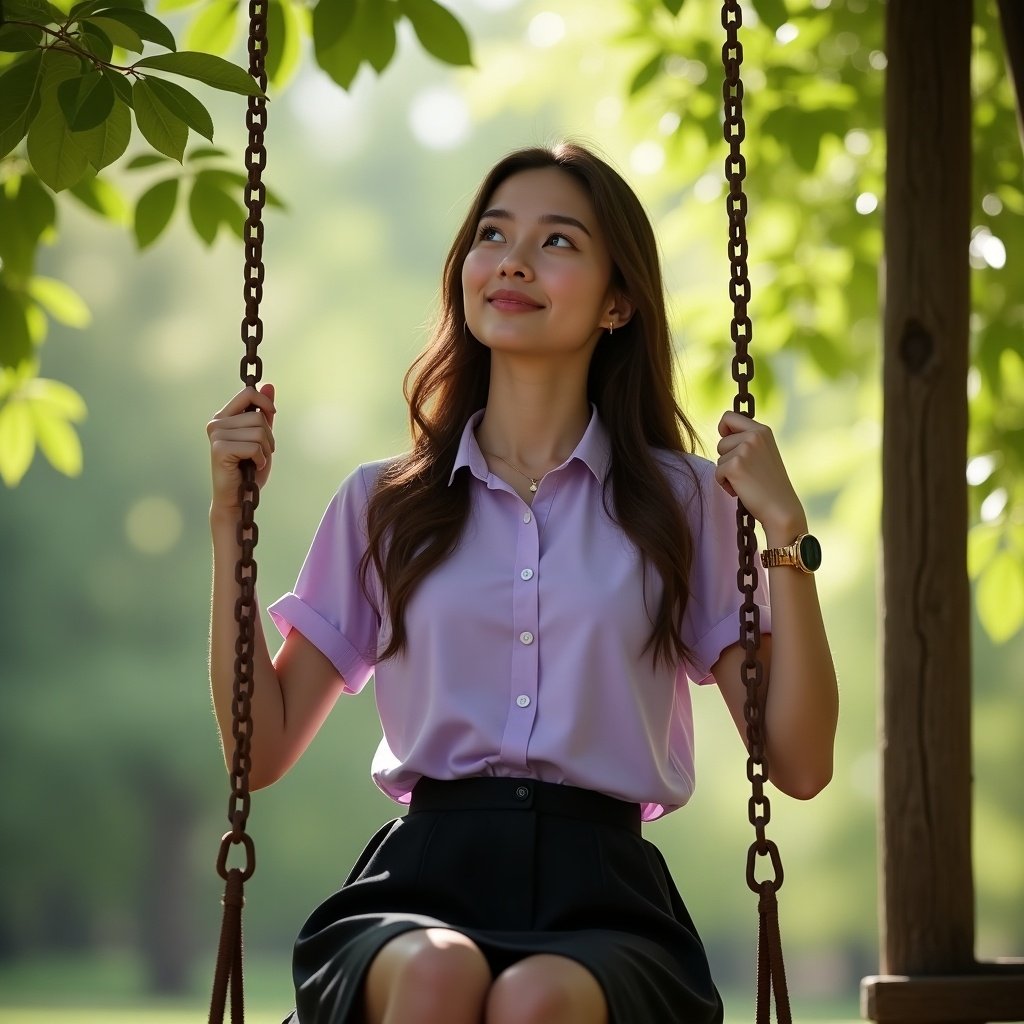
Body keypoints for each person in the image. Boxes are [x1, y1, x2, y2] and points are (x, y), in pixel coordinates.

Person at [206, 141, 838, 1024]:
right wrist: (230, 526)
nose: (512, 260)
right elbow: (258, 751)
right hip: (420, 880)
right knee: (435, 974)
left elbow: (800, 763)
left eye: (558, 242)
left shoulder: (683, 502)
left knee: (538, 1000)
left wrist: (786, 537)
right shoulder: (384, 504)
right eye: (493, 234)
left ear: (619, 300)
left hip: (606, 900)